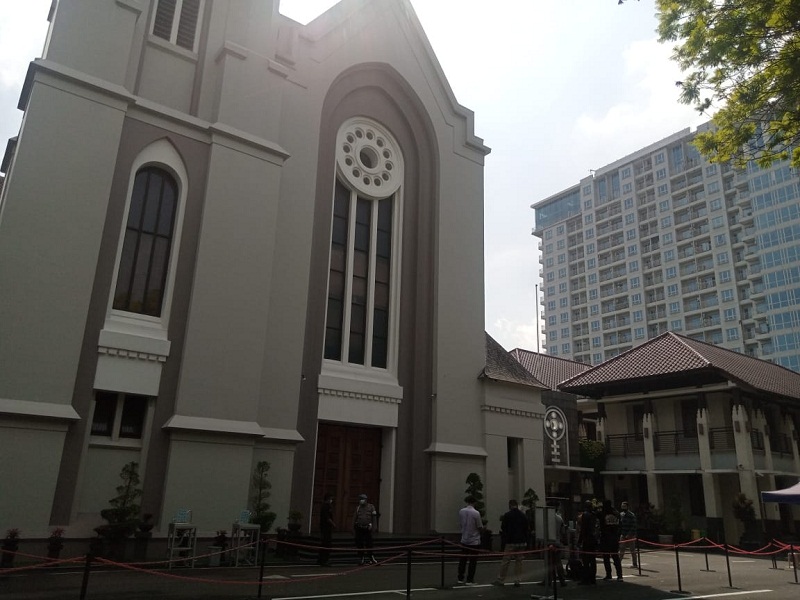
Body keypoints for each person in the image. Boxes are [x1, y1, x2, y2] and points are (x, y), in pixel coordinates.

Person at [492, 499, 530, 587]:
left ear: (510, 505)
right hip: (522, 541)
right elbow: (527, 528)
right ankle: (517, 580)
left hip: (511, 541)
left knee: (506, 561)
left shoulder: (507, 515)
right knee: (519, 561)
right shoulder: (523, 515)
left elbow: (503, 528)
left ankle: (501, 579)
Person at [457, 496, 483, 585]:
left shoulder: (461, 511)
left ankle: (460, 578)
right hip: (474, 540)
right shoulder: (476, 513)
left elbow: (460, 523)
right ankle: (470, 579)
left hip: (464, 538)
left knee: (462, 559)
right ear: (474, 502)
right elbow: (479, 526)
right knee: (473, 561)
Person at [599, 499, 623, 581]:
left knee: (606, 557)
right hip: (615, 537)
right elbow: (620, 525)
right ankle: (620, 575)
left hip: (606, 537)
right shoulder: (616, 513)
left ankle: (609, 574)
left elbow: (601, 524)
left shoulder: (604, 513)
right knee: (615, 556)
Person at [577, 500, 598, 585]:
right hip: (593, 539)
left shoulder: (585, 515)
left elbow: (583, 529)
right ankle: (593, 578)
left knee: (585, 560)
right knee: (592, 560)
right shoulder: (594, 515)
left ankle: (585, 579)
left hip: (587, 539)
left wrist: (580, 540)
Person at [353, 493, 377, 564]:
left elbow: (374, 517)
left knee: (369, 543)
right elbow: (354, 518)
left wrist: (374, 526)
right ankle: (361, 558)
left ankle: (371, 558)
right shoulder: (358, 508)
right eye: (360, 499)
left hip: (367, 528)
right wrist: (352, 528)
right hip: (359, 528)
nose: (361, 501)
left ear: (366, 500)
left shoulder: (371, 507)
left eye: (362, 499)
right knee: (359, 543)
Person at [317, 493, 336, 566]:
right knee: (326, 544)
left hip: (325, 528)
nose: (332, 500)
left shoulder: (325, 506)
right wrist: (333, 524)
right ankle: (324, 560)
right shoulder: (326, 507)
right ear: (328, 499)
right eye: (331, 499)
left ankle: (320, 559)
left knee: (323, 544)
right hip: (326, 528)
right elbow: (327, 518)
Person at [618, 501, 638, 567]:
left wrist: (629, 534)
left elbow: (634, 526)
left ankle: (635, 563)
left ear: (627, 507)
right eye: (622, 506)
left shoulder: (631, 515)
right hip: (623, 534)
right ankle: (618, 562)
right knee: (621, 548)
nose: (623, 507)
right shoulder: (621, 514)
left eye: (624, 506)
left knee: (632, 549)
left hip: (630, 535)